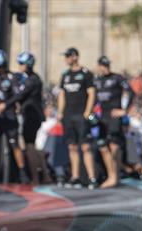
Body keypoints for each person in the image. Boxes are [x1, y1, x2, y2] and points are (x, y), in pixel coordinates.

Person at [0, 51, 46, 183]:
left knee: (29, 146)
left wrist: (4, 105)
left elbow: (20, 95)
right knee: (33, 147)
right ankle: (46, 175)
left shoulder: (33, 80)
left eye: (21, 64)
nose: (19, 66)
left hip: (32, 116)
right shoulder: (29, 78)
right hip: (29, 114)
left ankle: (35, 177)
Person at [0, 49, 28, 182]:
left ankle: (22, 172)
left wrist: (5, 105)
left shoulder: (11, 78)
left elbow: (18, 96)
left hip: (9, 114)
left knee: (14, 143)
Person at [57, 47, 97, 187]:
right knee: (72, 147)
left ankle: (92, 177)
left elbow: (92, 93)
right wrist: (60, 112)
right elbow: (62, 94)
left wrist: (88, 111)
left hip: (81, 115)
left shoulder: (86, 74)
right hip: (68, 115)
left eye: (68, 56)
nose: (66, 59)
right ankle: (75, 177)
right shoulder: (65, 75)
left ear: (75, 57)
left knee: (86, 146)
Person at [94, 56, 131, 188]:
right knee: (103, 147)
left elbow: (131, 92)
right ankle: (112, 175)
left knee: (115, 147)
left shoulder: (117, 78)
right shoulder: (97, 80)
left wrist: (124, 110)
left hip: (114, 116)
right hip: (102, 117)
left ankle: (115, 176)